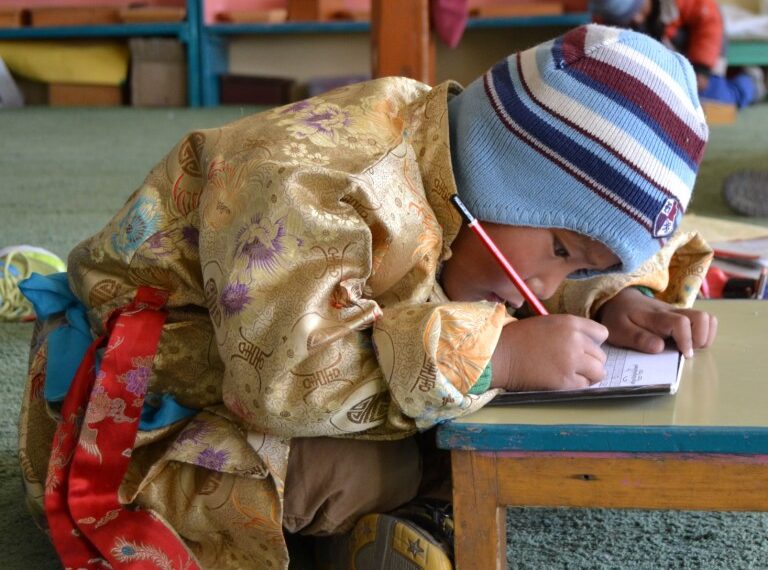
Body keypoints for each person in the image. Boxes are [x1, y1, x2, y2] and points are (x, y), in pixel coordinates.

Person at [18, 24, 718, 570]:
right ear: (498, 178)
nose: (545, 290)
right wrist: (496, 359)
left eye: (583, 268)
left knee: (465, 414)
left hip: (270, 368)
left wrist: (611, 299)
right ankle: (396, 516)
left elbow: (563, 248)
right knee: (341, 469)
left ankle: (404, 519)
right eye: (564, 254)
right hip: (146, 407)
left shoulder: (462, 170)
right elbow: (282, 385)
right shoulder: (313, 188)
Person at [590, 0, 766, 108]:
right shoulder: (604, 18)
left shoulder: (677, 3)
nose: (636, 19)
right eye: (626, 18)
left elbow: (709, 20)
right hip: (671, 67)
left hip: (703, 52)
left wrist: (702, 68)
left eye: (638, 10)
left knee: (718, 100)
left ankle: (752, 82)